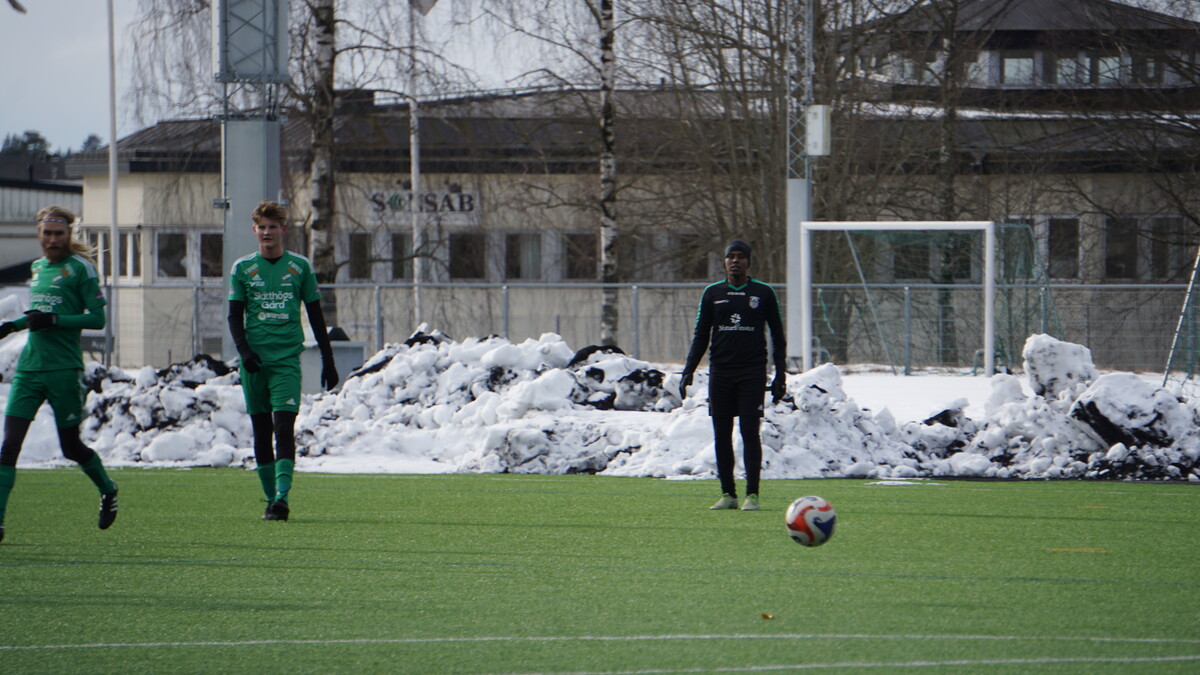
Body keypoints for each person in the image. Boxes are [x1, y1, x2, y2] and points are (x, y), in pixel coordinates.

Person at [0, 206, 117, 543]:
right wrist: (12, 326)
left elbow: (97, 319)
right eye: (47, 233)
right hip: (29, 369)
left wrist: (55, 321)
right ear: (39, 234)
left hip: (64, 370)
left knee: (70, 447)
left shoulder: (81, 268)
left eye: (58, 234)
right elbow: (38, 314)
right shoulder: (38, 268)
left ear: (68, 234)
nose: (52, 239)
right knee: (9, 447)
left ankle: (108, 489)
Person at [228, 200, 338, 522]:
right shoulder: (242, 268)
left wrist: (328, 359)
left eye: (272, 227)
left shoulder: (300, 267)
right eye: (262, 227)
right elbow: (234, 316)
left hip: (287, 360)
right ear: (254, 231)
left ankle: (282, 498)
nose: (267, 232)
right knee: (261, 430)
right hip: (254, 362)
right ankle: (269, 500)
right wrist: (244, 352)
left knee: (283, 427)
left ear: (283, 230)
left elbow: (316, 316)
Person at [680, 239, 787, 511]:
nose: (735, 261)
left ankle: (752, 495)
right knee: (721, 434)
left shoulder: (763, 293)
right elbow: (701, 335)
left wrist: (780, 375)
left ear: (748, 262)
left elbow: (778, 336)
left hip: (752, 372)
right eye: (731, 257)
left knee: (749, 432)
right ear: (724, 261)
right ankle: (728, 494)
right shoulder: (712, 293)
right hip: (721, 372)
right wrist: (689, 369)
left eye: (740, 256)